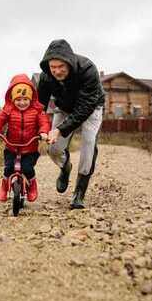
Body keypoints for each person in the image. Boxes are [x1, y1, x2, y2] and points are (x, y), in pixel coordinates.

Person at [37, 39, 105, 209]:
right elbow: (39, 107)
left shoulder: (88, 69)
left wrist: (60, 129)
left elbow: (85, 107)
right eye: (53, 67)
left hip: (91, 107)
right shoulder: (46, 77)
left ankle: (79, 192)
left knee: (88, 144)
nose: (57, 71)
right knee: (53, 149)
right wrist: (36, 128)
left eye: (61, 67)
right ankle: (65, 167)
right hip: (64, 107)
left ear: (69, 62)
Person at [0, 74, 50, 202]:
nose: (22, 103)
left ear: (31, 98)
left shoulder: (37, 111)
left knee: (27, 168)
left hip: (30, 148)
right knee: (9, 168)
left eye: (25, 99)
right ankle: (4, 187)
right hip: (11, 147)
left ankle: (32, 186)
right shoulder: (8, 110)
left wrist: (43, 132)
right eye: (18, 99)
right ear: (12, 99)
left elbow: (44, 122)